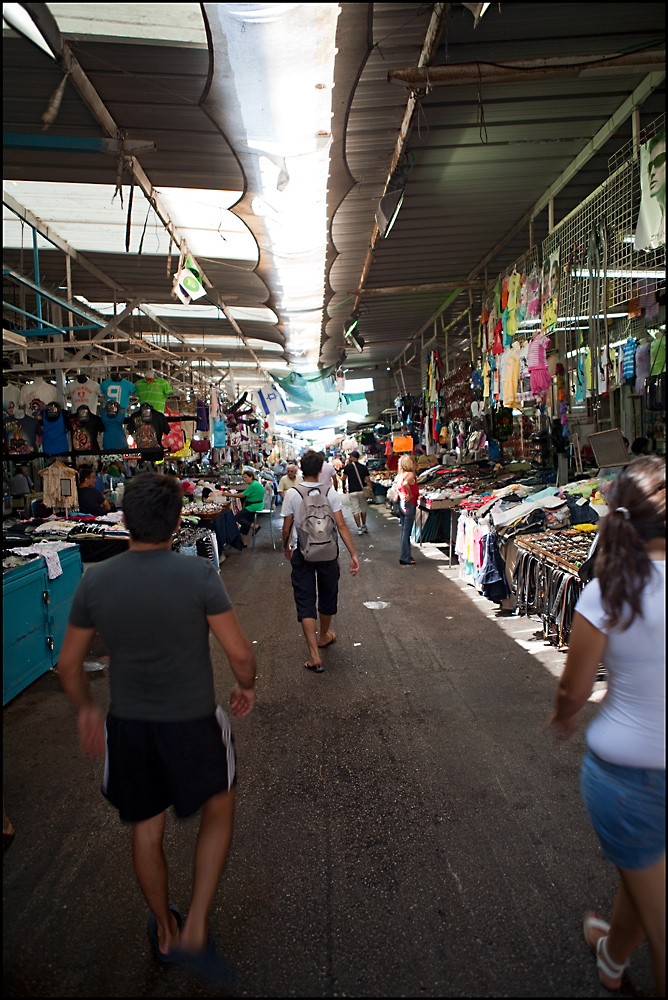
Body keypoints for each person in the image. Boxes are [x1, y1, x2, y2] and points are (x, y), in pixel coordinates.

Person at [57, 472, 256, 983]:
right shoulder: (198, 576)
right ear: (174, 522)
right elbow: (239, 652)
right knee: (219, 805)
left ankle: (165, 934)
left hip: (129, 728)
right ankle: (193, 928)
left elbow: (68, 664)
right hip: (192, 722)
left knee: (146, 829)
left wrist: (85, 708)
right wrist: (245, 685)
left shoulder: (96, 581)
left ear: (124, 520)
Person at [544, 456, 665, 996]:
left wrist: (563, 716)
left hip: (624, 778)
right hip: (636, 781)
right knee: (648, 881)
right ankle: (612, 955)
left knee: (646, 880)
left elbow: (574, 688)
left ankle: (612, 957)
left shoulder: (606, 591)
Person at [281, 450, 359, 673]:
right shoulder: (330, 492)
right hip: (328, 552)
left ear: (301, 469)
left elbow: (287, 527)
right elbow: (341, 525)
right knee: (327, 593)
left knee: (305, 600)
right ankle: (324, 635)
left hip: (302, 552)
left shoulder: (293, 493)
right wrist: (353, 553)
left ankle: (314, 655)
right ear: (320, 469)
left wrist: (286, 546)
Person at [220, 469, 264, 548]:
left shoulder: (253, 485)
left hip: (254, 506)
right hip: (255, 505)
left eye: (246, 477)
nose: (244, 479)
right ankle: (244, 542)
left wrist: (229, 495)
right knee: (245, 521)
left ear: (251, 477)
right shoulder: (255, 484)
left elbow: (242, 495)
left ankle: (255, 526)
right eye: (243, 477)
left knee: (237, 517)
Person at [396, 454, 419, 565]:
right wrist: (409, 494)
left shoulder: (401, 475)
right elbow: (405, 484)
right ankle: (405, 557)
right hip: (409, 504)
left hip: (403, 504)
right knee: (406, 532)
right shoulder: (410, 474)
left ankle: (406, 555)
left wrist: (403, 498)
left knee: (404, 532)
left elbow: (399, 487)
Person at [342, 450, 372, 535]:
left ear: (352, 457)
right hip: (362, 491)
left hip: (352, 492)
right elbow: (367, 480)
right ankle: (364, 525)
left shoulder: (348, 467)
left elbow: (343, 478)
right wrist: (370, 490)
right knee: (363, 509)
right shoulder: (363, 467)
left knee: (355, 510)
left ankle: (359, 528)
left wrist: (344, 487)